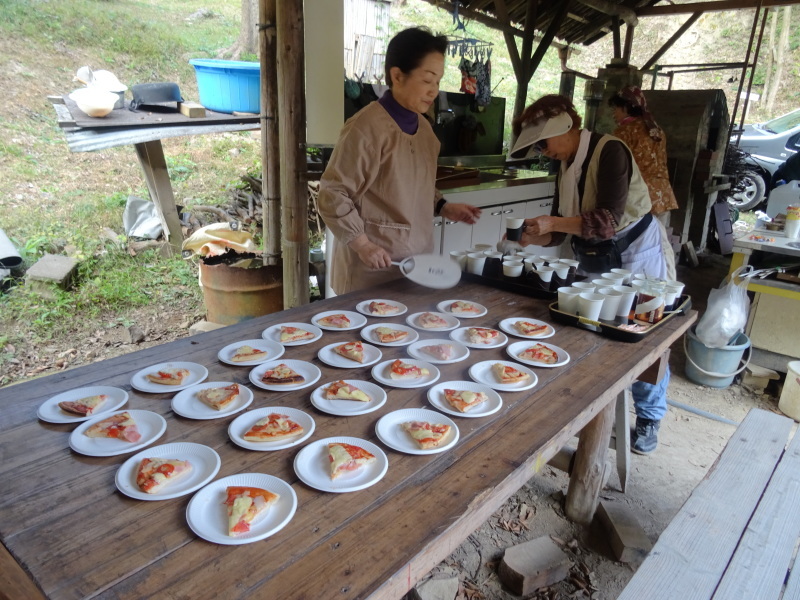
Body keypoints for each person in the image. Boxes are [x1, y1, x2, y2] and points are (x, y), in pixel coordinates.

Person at [509, 94, 676, 455]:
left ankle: (649, 416)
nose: (543, 150)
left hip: (635, 252)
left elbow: (606, 221)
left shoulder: (609, 150)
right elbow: (564, 225)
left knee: (641, 337)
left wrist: (552, 223)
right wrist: (534, 237)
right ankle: (594, 411)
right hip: (596, 254)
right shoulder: (566, 164)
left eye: (544, 142)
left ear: (565, 127)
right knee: (591, 329)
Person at [318, 27, 481, 295]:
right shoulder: (366, 128)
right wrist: (363, 245)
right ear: (397, 75)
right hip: (372, 269)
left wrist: (443, 206)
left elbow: (413, 188)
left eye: (438, 82)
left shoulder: (426, 131)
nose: (434, 91)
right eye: (427, 80)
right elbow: (333, 193)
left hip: (418, 266)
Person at [608, 86, 678, 227]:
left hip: (640, 199)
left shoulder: (624, 132)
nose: (613, 114)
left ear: (626, 107)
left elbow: (616, 167)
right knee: (659, 243)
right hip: (662, 196)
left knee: (637, 244)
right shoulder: (656, 130)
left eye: (615, 109)